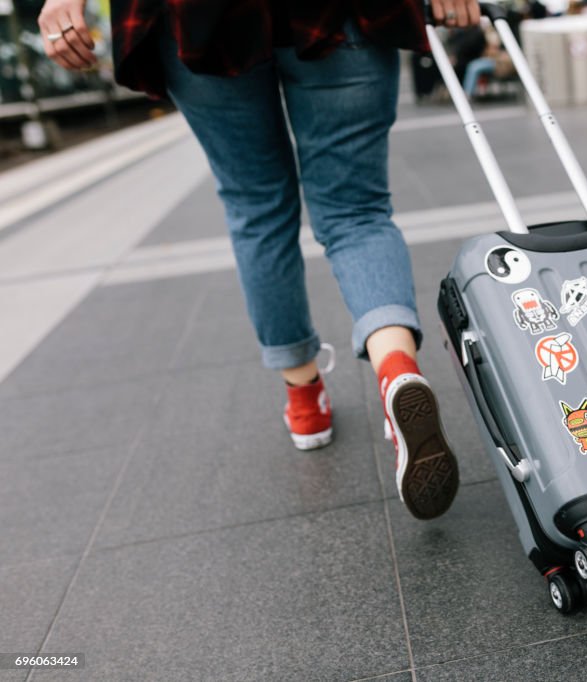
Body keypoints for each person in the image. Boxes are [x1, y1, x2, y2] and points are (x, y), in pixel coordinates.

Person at [36, 0, 475, 520]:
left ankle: (304, 402)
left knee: (256, 208)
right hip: (341, 17)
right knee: (356, 210)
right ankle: (395, 367)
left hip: (200, 18)